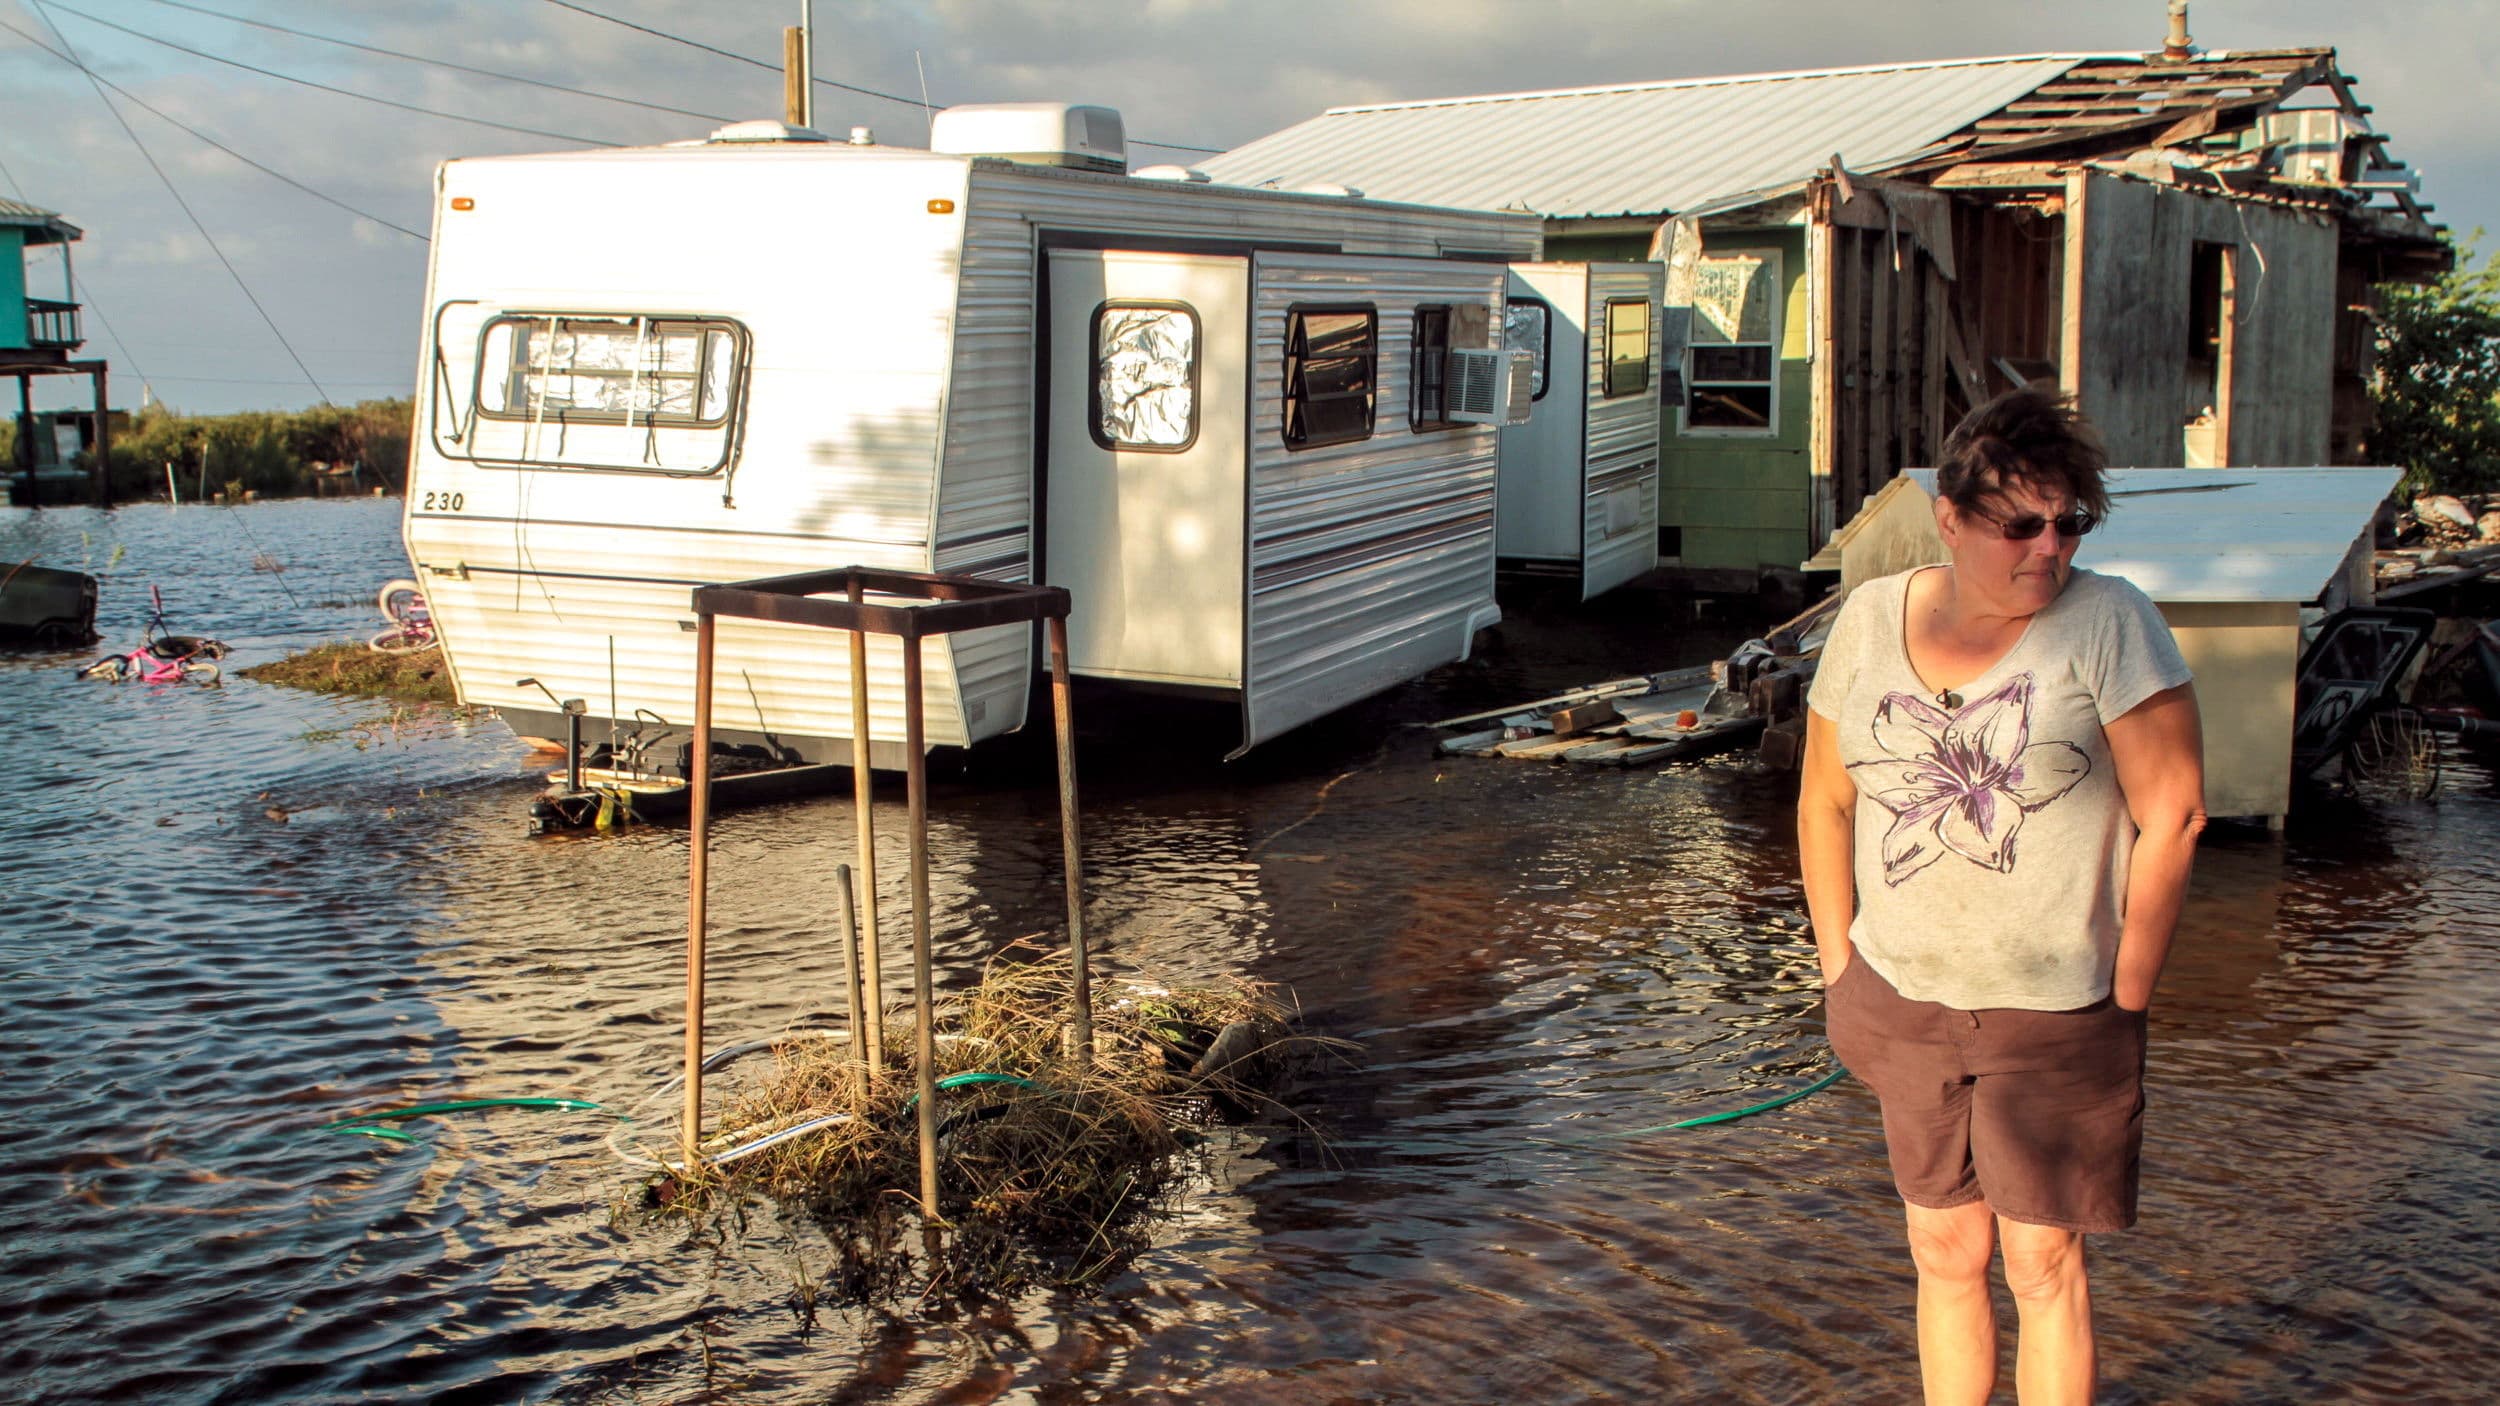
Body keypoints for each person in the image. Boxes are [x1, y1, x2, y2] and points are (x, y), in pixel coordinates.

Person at [1797, 388, 2207, 1405]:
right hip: (1905, 995)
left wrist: (2127, 990)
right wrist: (1836, 963)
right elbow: (1822, 799)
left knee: (2042, 1262)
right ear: (1948, 516)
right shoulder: (1867, 619)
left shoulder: (2109, 624)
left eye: (2070, 522)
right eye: (2021, 523)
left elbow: (2178, 813)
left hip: (2056, 1011)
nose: (2049, 547)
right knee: (1941, 1245)